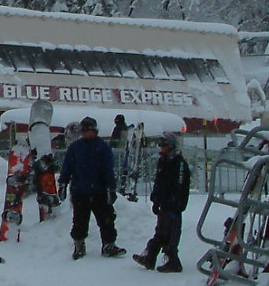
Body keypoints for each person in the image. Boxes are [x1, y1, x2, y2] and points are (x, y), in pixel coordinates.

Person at [58, 116, 125, 260]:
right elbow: (67, 167)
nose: (87, 134)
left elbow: (108, 169)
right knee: (79, 221)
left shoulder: (103, 147)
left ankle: (108, 244)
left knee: (106, 219)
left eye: (90, 131)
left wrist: (111, 189)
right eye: (84, 131)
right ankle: (79, 245)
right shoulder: (75, 148)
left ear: (95, 131)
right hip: (80, 191)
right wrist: (62, 184)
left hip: (99, 191)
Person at [134, 132, 192, 273]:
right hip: (164, 203)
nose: (161, 147)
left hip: (174, 205)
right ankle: (150, 256)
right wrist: (156, 200)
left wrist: (175, 202)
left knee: (171, 231)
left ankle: (172, 261)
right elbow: (159, 182)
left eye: (164, 144)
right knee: (161, 230)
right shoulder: (163, 161)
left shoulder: (179, 163)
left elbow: (180, 185)